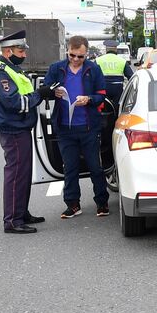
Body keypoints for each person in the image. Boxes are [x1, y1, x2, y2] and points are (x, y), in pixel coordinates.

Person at [0, 30, 55, 234]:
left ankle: (22, 212)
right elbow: (14, 103)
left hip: (20, 128)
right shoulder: (1, 73)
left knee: (24, 173)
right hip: (13, 129)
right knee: (16, 174)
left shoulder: (13, 69)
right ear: (8, 51)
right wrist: (39, 96)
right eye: (20, 50)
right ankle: (13, 221)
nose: (24, 54)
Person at [43, 36, 110, 218]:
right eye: (72, 55)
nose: (75, 59)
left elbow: (101, 94)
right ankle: (73, 204)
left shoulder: (93, 69)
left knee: (95, 167)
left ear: (86, 53)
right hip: (65, 127)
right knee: (70, 167)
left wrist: (89, 99)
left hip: (89, 127)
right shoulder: (57, 68)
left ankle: (102, 203)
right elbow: (44, 88)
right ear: (67, 51)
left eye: (80, 56)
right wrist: (52, 91)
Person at [94, 43, 134, 167]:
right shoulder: (122, 61)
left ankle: (102, 136)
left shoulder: (98, 60)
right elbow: (131, 77)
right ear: (116, 49)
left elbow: (92, 77)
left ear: (106, 49)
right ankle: (115, 135)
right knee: (116, 116)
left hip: (102, 91)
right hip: (117, 91)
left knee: (102, 116)